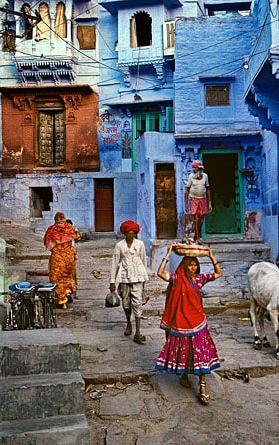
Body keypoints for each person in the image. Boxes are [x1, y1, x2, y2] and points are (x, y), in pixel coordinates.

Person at [155, 244, 222, 404]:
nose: (193, 267)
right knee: (185, 350)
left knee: (200, 352)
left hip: (198, 321)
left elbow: (219, 273)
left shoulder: (200, 279)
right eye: (190, 265)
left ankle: (202, 386)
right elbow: (160, 273)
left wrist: (211, 256)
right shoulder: (178, 279)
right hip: (181, 321)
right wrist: (168, 254)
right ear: (184, 267)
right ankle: (184, 375)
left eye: (195, 265)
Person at [109, 220, 150, 344]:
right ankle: (128, 323)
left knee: (137, 303)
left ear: (135, 234)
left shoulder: (140, 244)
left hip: (138, 276)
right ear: (125, 233)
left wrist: (144, 280)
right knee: (126, 303)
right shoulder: (119, 246)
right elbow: (115, 263)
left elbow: (143, 262)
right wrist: (112, 281)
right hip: (124, 277)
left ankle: (138, 332)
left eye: (133, 233)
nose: (130, 235)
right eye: (128, 233)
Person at [43, 212, 81, 309]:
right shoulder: (70, 228)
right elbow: (78, 238)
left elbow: (47, 245)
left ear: (55, 219)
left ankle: (61, 300)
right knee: (68, 276)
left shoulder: (51, 229)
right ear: (64, 218)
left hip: (57, 258)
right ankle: (68, 292)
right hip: (68, 257)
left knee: (56, 279)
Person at [184, 160, 212, 242]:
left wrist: (209, 203)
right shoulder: (191, 176)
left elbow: (207, 189)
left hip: (202, 198)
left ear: (199, 168)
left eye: (195, 167)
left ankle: (197, 234)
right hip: (193, 198)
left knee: (201, 218)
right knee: (195, 218)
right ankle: (198, 237)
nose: (194, 169)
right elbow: (187, 190)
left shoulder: (205, 176)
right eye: (193, 167)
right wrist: (186, 204)